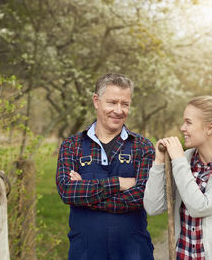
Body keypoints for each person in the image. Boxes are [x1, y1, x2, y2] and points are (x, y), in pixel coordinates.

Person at [56, 73, 155, 260]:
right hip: (85, 252)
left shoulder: (142, 146)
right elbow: (67, 191)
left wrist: (86, 195)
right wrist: (119, 183)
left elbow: (142, 196)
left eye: (125, 104)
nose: (119, 110)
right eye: (112, 102)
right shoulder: (72, 145)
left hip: (133, 251)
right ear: (96, 101)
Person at [144, 96, 212, 260]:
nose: (182, 128)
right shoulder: (184, 161)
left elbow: (199, 207)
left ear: (210, 128)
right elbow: (153, 207)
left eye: (188, 122)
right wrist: (159, 162)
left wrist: (178, 161)